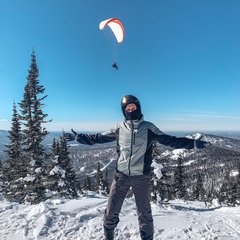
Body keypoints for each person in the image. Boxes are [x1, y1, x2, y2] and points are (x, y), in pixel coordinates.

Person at [65, 95, 208, 240]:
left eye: (133, 107)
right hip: (121, 176)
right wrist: (79, 137)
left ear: (138, 108)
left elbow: (170, 140)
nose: (131, 110)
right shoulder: (119, 128)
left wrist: (193, 144)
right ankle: (108, 236)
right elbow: (98, 138)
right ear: (123, 111)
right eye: (127, 108)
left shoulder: (148, 128)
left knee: (144, 213)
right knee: (111, 211)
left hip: (141, 177)